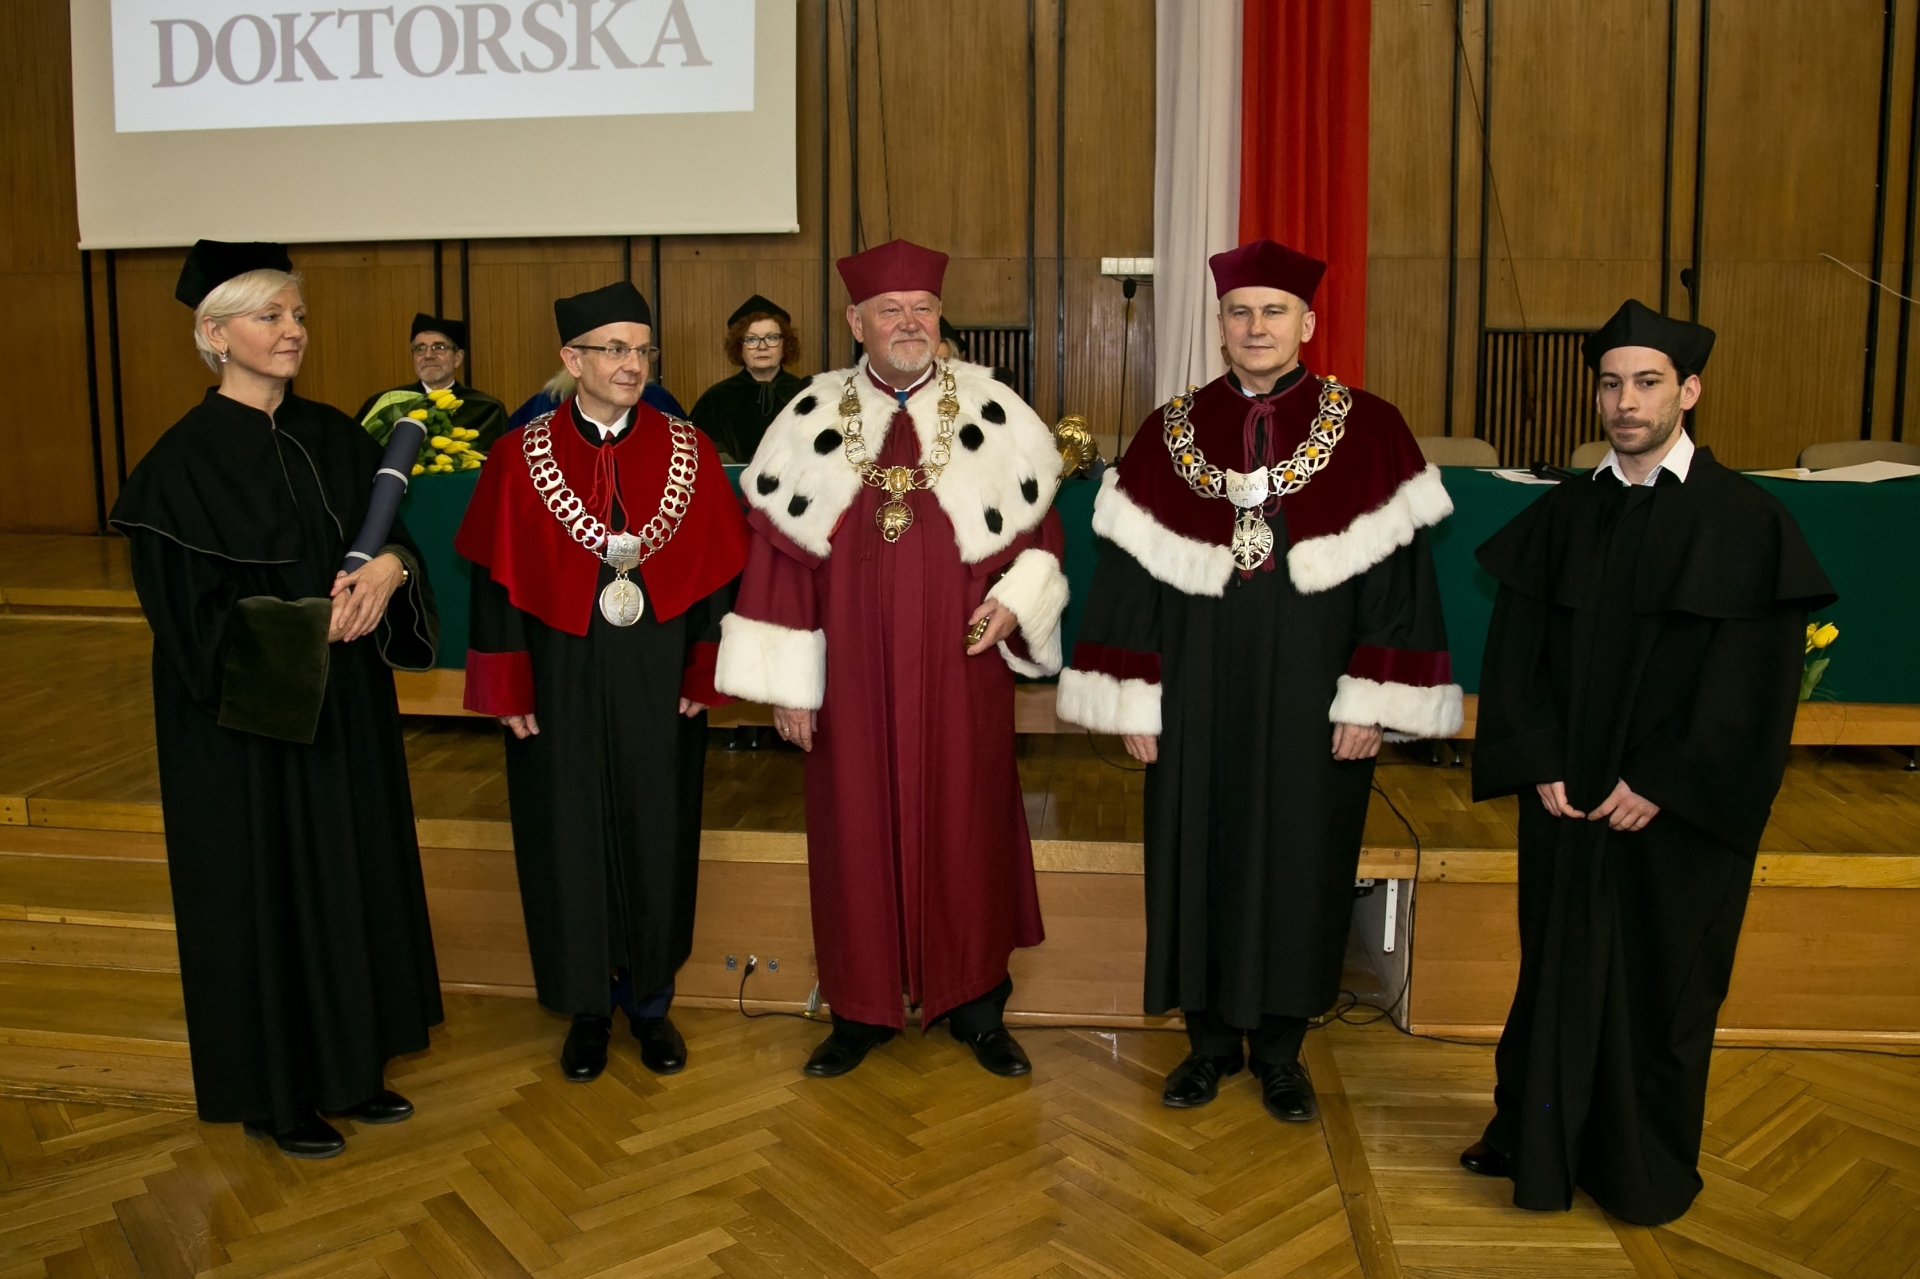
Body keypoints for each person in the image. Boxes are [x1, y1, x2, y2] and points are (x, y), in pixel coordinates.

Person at [1055, 238, 1461, 1123]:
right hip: (1195, 693)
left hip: (1316, 697)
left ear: (1307, 323)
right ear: (1221, 324)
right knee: (1193, 851)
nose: (1256, 326)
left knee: (1303, 857)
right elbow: (1127, 578)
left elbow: (1401, 584)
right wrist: (1132, 695)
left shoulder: (1371, 430)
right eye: (1240, 312)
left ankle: (1281, 1051)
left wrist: (1372, 697)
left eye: (1275, 311)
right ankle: (1206, 1045)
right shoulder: (1169, 431)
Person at [1460, 301, 1835, 1226]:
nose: (1626, 402)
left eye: (1648, 383)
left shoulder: (1745, 520)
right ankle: (1531, 1135)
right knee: (1555, 963)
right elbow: (1516, 656)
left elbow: (1751, 684)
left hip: (1675, 809)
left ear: (1689, 391)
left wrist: (1665, 779)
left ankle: (1639, 1165)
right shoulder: (1564, 514)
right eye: (1611, 384)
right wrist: (1539, 757)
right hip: (1569, 795)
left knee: (1663, 979)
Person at [109, 240, 442, 1159]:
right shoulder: (177, 468)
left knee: (350, 873)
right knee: (269, 894)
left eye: (297, 315)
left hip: (347, 709)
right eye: (270, 316)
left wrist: (390, 568)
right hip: (246, 725)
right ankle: (276, 1091)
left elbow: (398, 541)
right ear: (216, 335)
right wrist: (305, 627)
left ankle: (355, 1065)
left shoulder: (336, 435)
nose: (292, 330)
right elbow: (189, 619)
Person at [714, 239, 1070, 1079]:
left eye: (922, 308)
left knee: (968, 822)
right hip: (849, 678)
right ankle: (859, 1008)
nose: (909, 322)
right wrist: (788, 685)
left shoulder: (994, 411)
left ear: (938, 316)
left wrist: (1015, 599)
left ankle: (976, 1004)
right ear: (855, 321)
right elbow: (779, 560)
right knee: (853, 830)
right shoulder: (809, 417)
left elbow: (1040, 536)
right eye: (890, 310)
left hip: (960, 668)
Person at [455, 281, 749, 1083]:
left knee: (658, 827)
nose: (632, 363)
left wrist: (706, 667)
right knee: (565, 833)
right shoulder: (518, 456)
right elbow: (492, 582)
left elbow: (718, 572)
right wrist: (507, 686)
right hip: (557, 676)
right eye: (614, 349)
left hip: (658, 673)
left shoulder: (688, 449)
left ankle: (651, 1004)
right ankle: (585, 1008)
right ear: (572, 358)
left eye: (642, 349)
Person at [355, 314, 509, 449]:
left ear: (457, 358)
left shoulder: (486, 408)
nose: (428, 355)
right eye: (420, 348)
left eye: (439, 347)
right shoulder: (386, 404)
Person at [690, 294, 809, 464]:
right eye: (752, 339)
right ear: (739, 347)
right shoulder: (714, 400)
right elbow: (697, 454)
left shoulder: (805, 395)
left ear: (785, 344)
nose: (762, 346)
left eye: (771, 337)